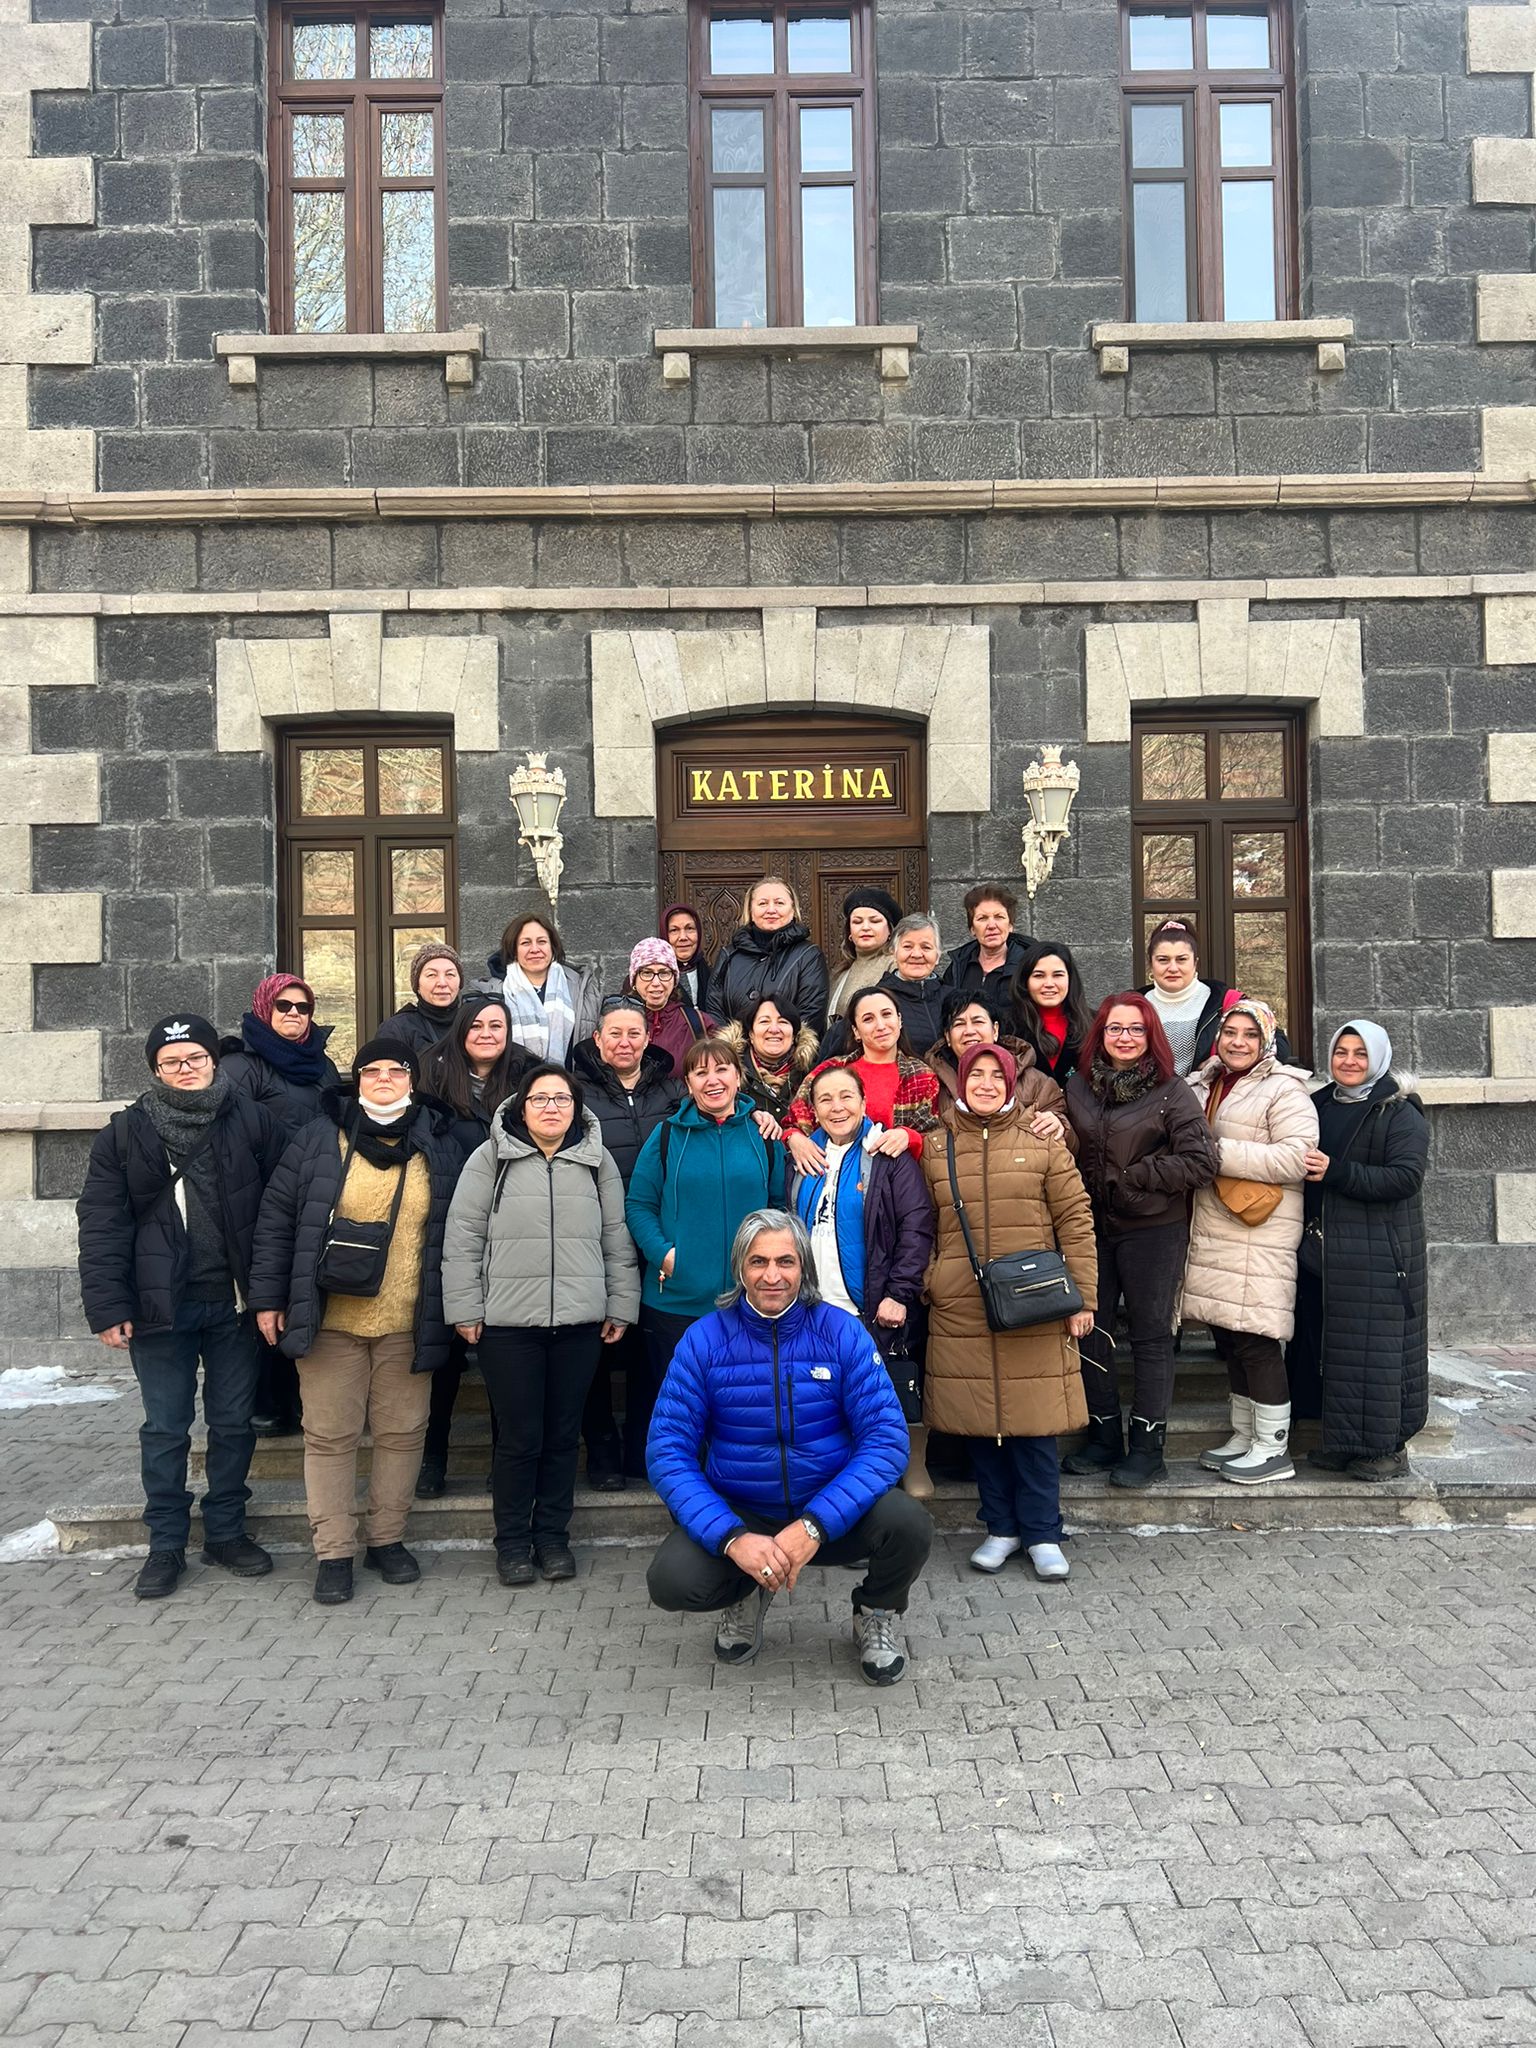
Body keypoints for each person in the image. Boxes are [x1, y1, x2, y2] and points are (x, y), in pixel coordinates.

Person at [646, 1209, 931, 1684]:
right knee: (670, 1582)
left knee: (909, 1524)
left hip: (832, 1512)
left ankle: (876, 1611)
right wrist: (733, 1539)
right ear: (740, 1268)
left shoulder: (841, 1333)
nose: (772, 1276)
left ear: (804, 1268)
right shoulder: (704, 1340)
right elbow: (667, 1452)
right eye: (758, 1262)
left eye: (786, 1261)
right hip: (745, 1512)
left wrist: (815, 1525)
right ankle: (747, 1587)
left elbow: (885, 1439)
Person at [76, 1016, 287, 1601]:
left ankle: (225, 1531)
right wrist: (107, 1306)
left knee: (232, 1423)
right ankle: (165, 1544)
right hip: (157, 1307)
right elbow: (100, 1224)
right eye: (171, 1062)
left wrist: (272, 1295)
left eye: (194, 1057)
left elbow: (279, 1211)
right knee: (166, 1429)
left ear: (214, 1061)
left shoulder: (252, 1119)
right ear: (154, 1070)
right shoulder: (124, 1133)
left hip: (235, 1304)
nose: (185, 1068)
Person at [250, 1039, 466, 1606]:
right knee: (329, 1436)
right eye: (373, 1071)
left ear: (413, 1080)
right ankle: (335, 1550)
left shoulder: (437, 1143)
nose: (385, 1080)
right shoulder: (320, 1138)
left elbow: (459, 1233)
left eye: (397, 1071)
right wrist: (269, 1299)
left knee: (402, 1434)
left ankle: (387, 1538)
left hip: (408, 1319)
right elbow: (275, 1219)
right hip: (329, 1319)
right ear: (357, 1079)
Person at [441, 1063, 639, 1586]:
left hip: (579, 1325)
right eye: (540, 1098)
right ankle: (511, 1543)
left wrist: (622, 1305)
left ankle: (552, 1539)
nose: (551, 1107)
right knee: (518, 1438)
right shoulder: (491, 1159)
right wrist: (464, 1308)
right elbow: (463, 1237)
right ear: (521, 1106)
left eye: (562, 1099)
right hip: (508, 1327)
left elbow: (616, 1239)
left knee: (560, 1437)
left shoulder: (596, 1164)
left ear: (576, 1108)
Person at [921, 1046, 1097, 1582]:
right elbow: (919, 1223)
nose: (987, 1084)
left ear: (1013, 1082)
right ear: (961, 1083)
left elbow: (1076, 1220)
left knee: (1035, 1426)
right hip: (962, 1305)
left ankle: (1044, 1531)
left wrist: (1084, 1298)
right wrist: (934, 1278)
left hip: (1035, 1303)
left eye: (997, 1075)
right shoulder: (935, 1146)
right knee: (980, 1425)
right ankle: (1000, 1527)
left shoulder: (1044, 1142)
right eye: (976, 1075)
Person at [1063, 995, 1220, 1488]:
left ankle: (1149, 1446)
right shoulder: (1080, 1088)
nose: (1124, 1037)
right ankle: (1105, 1434)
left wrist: (1137, 1175)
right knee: (1091, 1330)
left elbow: (1202, 1161)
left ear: (1150, 1035)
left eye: (1135, 1029)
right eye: (1115, 1029)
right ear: (1100, 1035)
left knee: (1151, 1337)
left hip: (1152, 1227)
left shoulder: (1172, 1091)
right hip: (1093, 1228)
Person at [1288, 1021, 1429, 1483]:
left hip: (1381, 1257)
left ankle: (1389, 1449)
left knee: (1380, 1357)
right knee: (1338, 1353)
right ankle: (1347, 1444)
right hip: (1325, 1252)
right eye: (1341, 1052)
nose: (1349, 1061)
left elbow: (1404, 1178)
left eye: (1360, 1054)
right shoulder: (1319, 1103)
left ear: (1379, 1059)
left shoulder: (1397, 1111)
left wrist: (1337, 1172)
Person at [1184, 1000, 1318, 1485]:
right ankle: (1246, 1434)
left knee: (1257, 1340)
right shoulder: (1204, 1081)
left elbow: (1297, 1157)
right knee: (1231, 1335)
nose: (1238, 1042)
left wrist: (1214, 1153)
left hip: (1257, 1231)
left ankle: (1273, 1447)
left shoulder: (1285, 1088)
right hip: (1215, 1226)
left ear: (1267, 1041)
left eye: (1250, 1034)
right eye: (1230, 1032)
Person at [791, 1061, 937, 1498]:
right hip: (813, 1309)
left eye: (845, 1097)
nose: (837, 1108)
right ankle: (837, 1500)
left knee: (876, 1406)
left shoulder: (884, 1153)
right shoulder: (801, 1155)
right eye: (825, 1100)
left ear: (863, 1102)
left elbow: (916, 1225)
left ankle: (890, 1494)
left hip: (869, 1306)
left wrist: (899, 1294)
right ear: (813, 1110)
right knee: (826, 1409)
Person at [411, 997, 532, 1499]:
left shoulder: (527, 1079)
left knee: (505, 1358)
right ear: (460, 1031)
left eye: (496, 1025)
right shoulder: (434, 1083)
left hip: (514, 1233)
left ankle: (502, 1462)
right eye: (477, 1025)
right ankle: (431, 1458)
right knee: (445, 1357)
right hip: (451, 1229)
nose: (487, 1033)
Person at [625, 1036, 787, 1399]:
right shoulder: (666, 1135)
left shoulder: (763, 1134)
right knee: (679, 1409)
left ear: (738, 1076)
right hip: (676, 1302)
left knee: (741, 1412)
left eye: (721, 1069)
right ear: (689, 1084)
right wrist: (667, 1255)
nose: (712, 1080)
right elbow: (638, 1204)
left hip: (750, 1301)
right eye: (700, 1073)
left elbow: (778, 1206)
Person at [220, 971, 340, 1437]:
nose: (293, 1014)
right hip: (261, 1200)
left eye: (303, 1007)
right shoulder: (241, 1067)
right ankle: (268, 1402)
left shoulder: (323, 1065)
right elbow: (230, 1139)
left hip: (315, 1198)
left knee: (307, 1292)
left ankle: (303, 1397)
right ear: (264, 1008)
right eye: (284, 1006)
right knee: (267, 1295)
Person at [571, 997, 686, 1486]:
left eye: (633, 1033)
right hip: (596, 1238)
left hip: (657, 1235)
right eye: (614, 1033)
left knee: (648, 1351)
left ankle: (644, 1451)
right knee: (595, 1348)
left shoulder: (674, 1091)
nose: (624, 1042)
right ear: (598, 1039)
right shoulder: (576, 1093)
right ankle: (601, 1451)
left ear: (648, 1038)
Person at [785, 985, 940, 1165]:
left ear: (899, 1020)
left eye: (887, 1014)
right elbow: (795, 1119)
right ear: (856, 1031)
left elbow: (933, 1135)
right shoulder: (830, 1070)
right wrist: (794, 1138)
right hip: (831, 1174)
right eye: (868, 1019)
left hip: (893, 1179)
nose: (881, 1025)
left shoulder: (921, 1076)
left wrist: (909, 1136)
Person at [1140, 916, 1292, 1076]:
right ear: (1151, 964)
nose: (1172, 968)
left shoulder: (1227, 1001)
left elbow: (1280, 1047)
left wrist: (1225, 1060)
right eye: (1163, 960)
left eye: (1181, 959)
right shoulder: (1133, 1005)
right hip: (1147, 1100)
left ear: (1195, 963)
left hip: (1211, 1098)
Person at [924, 987, 1075, 1144]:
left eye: (978, 1021)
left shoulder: (1036, 1083)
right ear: (948, 1036)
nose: (969, 1031)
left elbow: (1071, 1146)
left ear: (995, 1030)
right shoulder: (928, 1082)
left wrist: (1060, 1126)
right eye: (959, 1024)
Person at [475, 909, 600, 1066]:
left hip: (572, 1085)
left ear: (552, 946)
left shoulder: (582, 987)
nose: (535, 949)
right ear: (514, 949)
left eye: (541, 941)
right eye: (525, 943)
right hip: (512, 1087)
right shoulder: (493, 992)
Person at [709, 875, 830, 1038]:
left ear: (793, 910)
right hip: (733, 1059)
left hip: (788, 1058)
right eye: (762, 903)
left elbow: (811, 1013)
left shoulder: (808, 955)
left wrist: (775, 1046)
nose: (771, 910)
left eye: (779, 903)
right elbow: (713, 1008)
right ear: (751, 911)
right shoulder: (729, 955)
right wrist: (735, 1049)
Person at [825, 913, 949, 1058]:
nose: (916, 954)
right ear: (894, 953)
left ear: (938, 955)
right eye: (907, 946)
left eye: (926, 947)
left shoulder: (953, 999)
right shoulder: (874, 1000)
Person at [720, 994, 820, 1120]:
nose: (774, 1029)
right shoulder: (728, 1075)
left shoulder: (814, 1075)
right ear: (751, 1034)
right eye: (764, 1021)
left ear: (794, 1034)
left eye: (783, 1022)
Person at [1010, 940, 1094, 1088]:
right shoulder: (1008, 1026)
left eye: (1058, 975)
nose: (1049, 983)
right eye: (1039, 975)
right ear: (1025, 981)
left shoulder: (1095, 1023)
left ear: (1070, 978)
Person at [626, 936, 718, 1070]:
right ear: (634, 980)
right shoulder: (619, 1023)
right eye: (646, 973)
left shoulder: (699, 1023)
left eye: (664, 973)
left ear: (674, 980)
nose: (656, 983)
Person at [943, 884, 1029, 1006]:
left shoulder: (1027, 966)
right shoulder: (958, 968)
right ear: (972, 928)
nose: (991, 925)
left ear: (1010, 925)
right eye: (982, 918)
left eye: (999, 917)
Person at [382, 942, 465, 1062]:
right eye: (431, 975)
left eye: (450, 974)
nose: (442, 983)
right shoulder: (397, 1029)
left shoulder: (473, 1023)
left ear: (460, 983)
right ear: (417, 986)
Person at [828, 886, 902, 1020]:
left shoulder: (896, 965)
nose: (865, 927)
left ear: (890, 930)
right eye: (857, 922)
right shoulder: (841, 972)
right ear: (849, 932)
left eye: (875, 921)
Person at [662, 901, 713, 1010]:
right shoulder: (650, 978)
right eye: (674, 930)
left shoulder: (712, 975)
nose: (683, 937)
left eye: (689, 928)